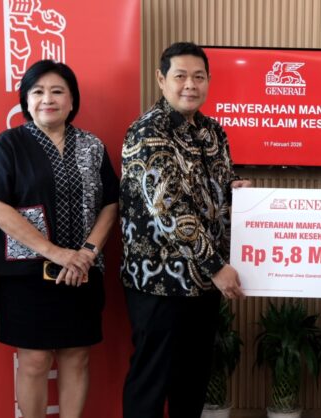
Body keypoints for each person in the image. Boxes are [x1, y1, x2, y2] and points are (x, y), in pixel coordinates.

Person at [0, 60, 119, 418]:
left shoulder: (93, 146)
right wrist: (56, 253)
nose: (47, 99)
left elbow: (111, 203)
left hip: (82, 272)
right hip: (27, 276)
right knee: (34, 361)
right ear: (26, 100)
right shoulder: (9, 144)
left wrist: (86, 253)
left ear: (72, 100)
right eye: (38, 92)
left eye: (57, 91)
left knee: (77, 357)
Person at [119, 41, 250, 418]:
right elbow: (168, 208)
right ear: (162, 80)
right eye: (180, 76)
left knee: (192, 381)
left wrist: (235, 191)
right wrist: (216, 266)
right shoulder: (148, 131)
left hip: (203, 284)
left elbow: (215, 187)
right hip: (159, 282)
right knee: (151, 381)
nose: (190, 84)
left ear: (208, 81)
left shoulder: (213, 131)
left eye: (198, 76)